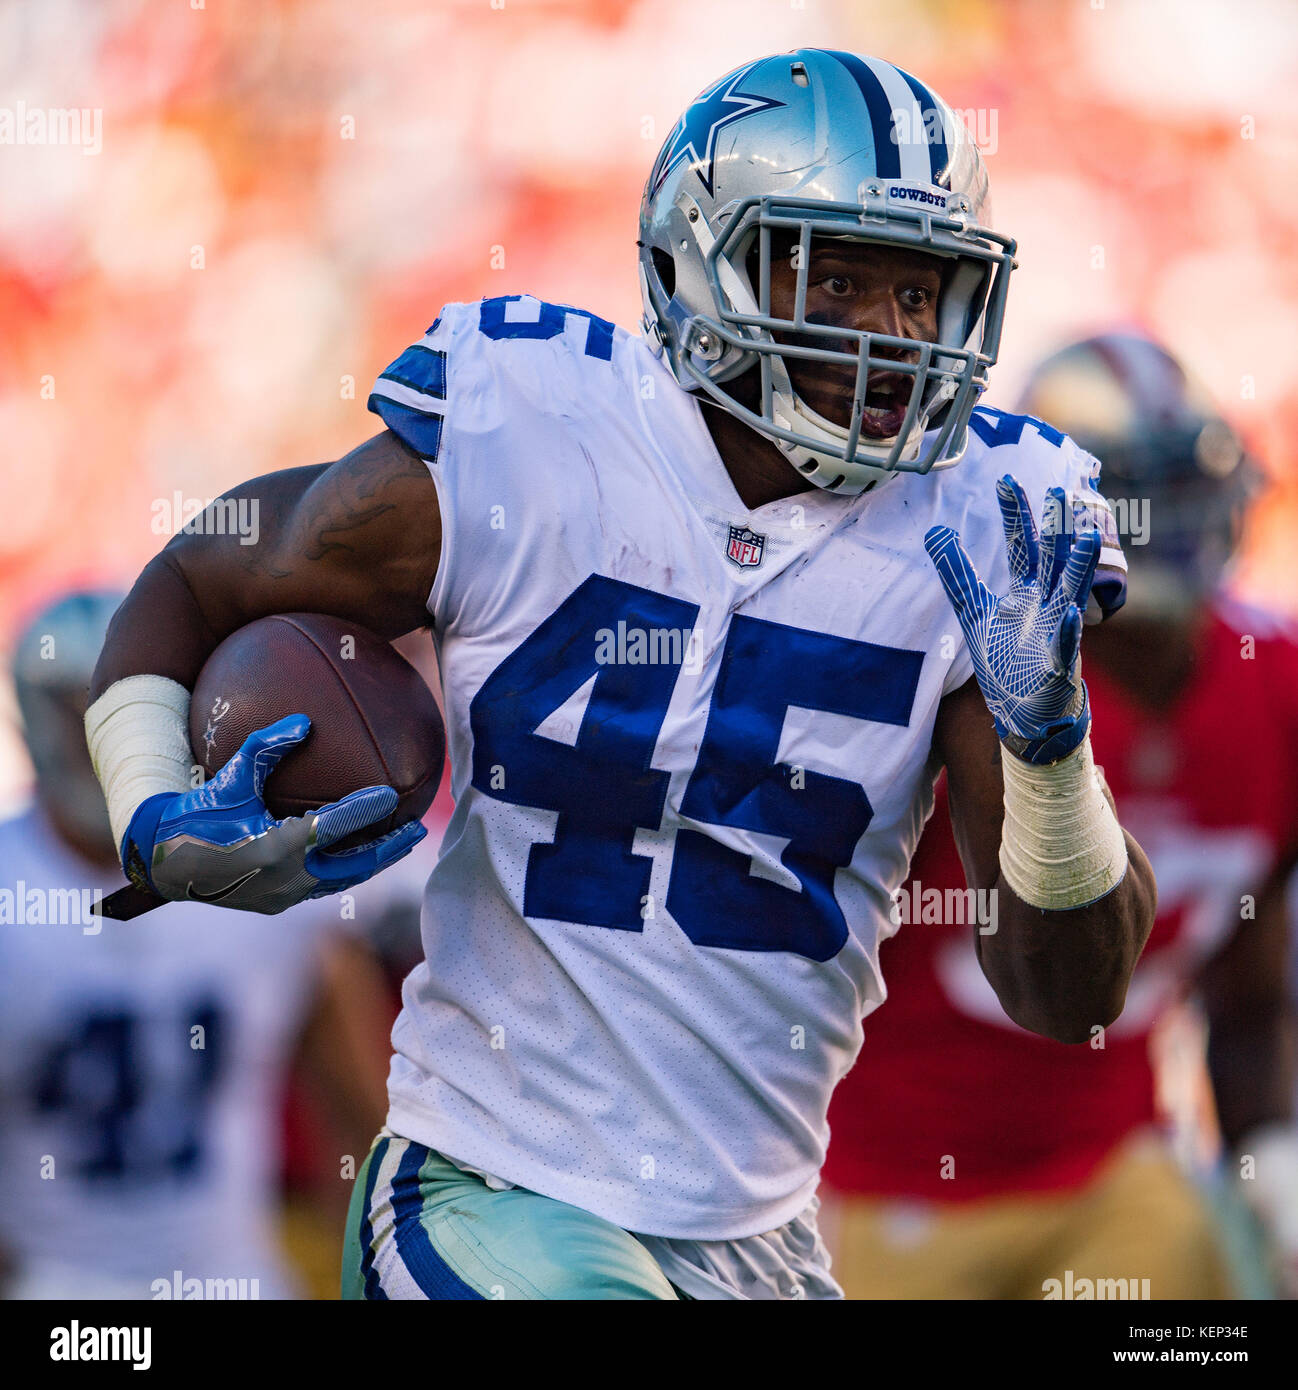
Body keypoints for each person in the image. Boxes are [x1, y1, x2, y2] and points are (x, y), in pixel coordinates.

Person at [81, 50, 1155, 1301]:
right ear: (702, 265)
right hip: (491, 1179)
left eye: (921, 292)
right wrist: (152, 806)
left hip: (756, 1234)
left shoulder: (982, 528)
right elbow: (206, 575)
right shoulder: (531, 435)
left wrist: (1050, 753)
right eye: (837, 277)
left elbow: (1061, 994)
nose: (889, 334)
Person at [821, 331, 1298, 1300]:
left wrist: (1270, 1157)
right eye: (1136, 491)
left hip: (1109, 1168)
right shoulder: (957, 675)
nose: (1165, 520)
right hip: (883, 1182)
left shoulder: (1270, 688)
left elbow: (1246, 996)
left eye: (1183, 483)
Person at [0, 589, 403, 1299]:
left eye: (112, 714)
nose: (99, 748)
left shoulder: (254, 873)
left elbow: (361, 1120)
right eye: (75, 712)